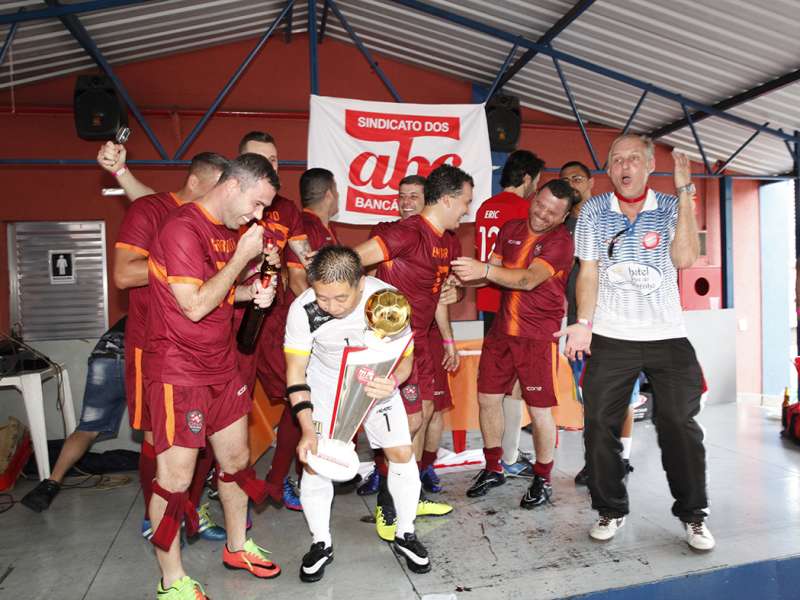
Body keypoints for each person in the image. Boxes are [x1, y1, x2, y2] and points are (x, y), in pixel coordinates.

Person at [558, 134, 714, 551]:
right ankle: (610, 509)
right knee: (598, 424)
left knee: (679, 423)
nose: (624, 166)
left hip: (667, 334)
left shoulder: (669, 206)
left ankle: (693, 515)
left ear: (648, 166)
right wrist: (584, 323)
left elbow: (684, 258)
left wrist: (684, 192)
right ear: (609, 169)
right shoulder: (594, 210)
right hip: (612, 336)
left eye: (632, 159)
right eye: (616, 160)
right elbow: (588, 271)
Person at [144, 154, 282, 599]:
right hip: (179, 369)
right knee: (176, 479)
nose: (258, 215)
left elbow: (217, 292)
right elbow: (194, 305)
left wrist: (251, 291)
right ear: (233, 185)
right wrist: (242, 256)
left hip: (221, 364)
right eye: (257, 203)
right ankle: (172, 580)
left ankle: (238, 547)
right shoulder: (181, 228)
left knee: (237, 461)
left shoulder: (226, 230)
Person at [285, 246, 431, 582]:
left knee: (402, 453)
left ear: (361, 283)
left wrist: (394, 380)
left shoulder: (388, 302)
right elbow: (295, 372)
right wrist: (306, 429)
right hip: (325, 384)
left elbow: (406, 357)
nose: (331, 306)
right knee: (315, 462)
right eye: (323, 297)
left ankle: (405, 532)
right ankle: (321, 542)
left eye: (341, 298)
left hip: (375, 383)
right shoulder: (303, 310)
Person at [112, 150, 231, 541]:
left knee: (204, 436)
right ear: (195, 183)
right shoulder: (151, 211)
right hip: (153, 343)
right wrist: (183, 265)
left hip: (202, 346)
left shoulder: (213, 223)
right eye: (218, 189)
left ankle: (190, 510)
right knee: (158, 437)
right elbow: (124, 274)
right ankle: (157, 518)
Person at [355, 165, 472, 539]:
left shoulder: (448, 241)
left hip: (421, 341)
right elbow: (350, 261)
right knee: (404, 424)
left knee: (422, 415)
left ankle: (411, 494)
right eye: (465, 202)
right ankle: (388, 505)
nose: (467, 210)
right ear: (448, 200)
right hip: (393, 344)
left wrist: (448, 337)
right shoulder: (405, 232)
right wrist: (360, 310)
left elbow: (438, 295)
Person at [452, 180, 577, 507]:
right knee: (487, 399)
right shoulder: (510, 228)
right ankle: (493, 467)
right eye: (540, 205)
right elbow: (491, 272)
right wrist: (460, 280)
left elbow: (527, 279)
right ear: (533, 198)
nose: (542, 214)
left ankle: (543, 478)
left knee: (539, 410)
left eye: (552, 212)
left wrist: (482, 269)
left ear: (564, 217)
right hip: (502, 331)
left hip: (537, 337)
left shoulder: (561, 242)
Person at [260, 167, 340, 512]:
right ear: (330, 193)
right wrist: (326, 325)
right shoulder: (306, 226)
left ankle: (295, 476)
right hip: (294, 330)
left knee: (306, 405)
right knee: (299, 405)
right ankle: (276, 481)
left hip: (304, 329)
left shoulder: (322, 228)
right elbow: (297, 282)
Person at [559, 160, 636, 485]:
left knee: (623, 395)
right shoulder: (560, 227)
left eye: (577, 178)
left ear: (591, 182)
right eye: (565, 180)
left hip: (617, 324)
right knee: (588, 397)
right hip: (579, 325)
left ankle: (622, 458)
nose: (572, 184)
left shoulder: (610, 219)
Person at [474, 150, 545, 477]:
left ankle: (502, 453)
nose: (537, 187)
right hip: (514, 304)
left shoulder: (485, 207)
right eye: (537, 180)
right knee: (513, 384)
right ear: (528, 178)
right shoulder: (524, 210)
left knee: (495, 381)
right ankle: (510, 456)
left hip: (488, 301)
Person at [20, 318, 126, 512]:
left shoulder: (137, 308)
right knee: (155, 425)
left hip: (104, 356)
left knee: (87, 429)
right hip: (138, 357)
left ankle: (50, 484)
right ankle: (163, 486)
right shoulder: (173, 303)